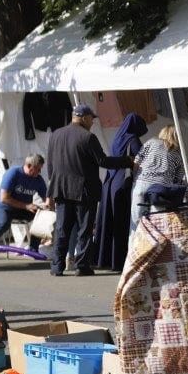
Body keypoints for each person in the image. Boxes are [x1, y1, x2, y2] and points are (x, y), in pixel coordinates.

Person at [46, 104, 132, 277]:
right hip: (84, 191)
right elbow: (103, 161)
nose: (92, 122)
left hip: (61, 189)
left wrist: (53, 188)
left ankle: (57, 266)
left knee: (62, 230)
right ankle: (82, 265)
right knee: (84, 230)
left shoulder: (56, 134)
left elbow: (50, 164)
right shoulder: (88, 137)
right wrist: (127, 161)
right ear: (84, 117)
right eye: (91, 118)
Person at [95, 113, 148, 271]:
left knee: (108, 222)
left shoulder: (118, 137)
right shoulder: (133, 139)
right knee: (121, 223)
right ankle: (118, 261)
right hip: (123, 184)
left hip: (110, 182)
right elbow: (141, 160)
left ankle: (105, 259)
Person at [0, 154, 48, 250]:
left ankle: (34, 248)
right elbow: (4, 198)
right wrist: (27, 206)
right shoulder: (14, 173)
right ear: (29, 166)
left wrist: (47, 207)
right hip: (2, 207)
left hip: (21, 209)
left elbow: (46, 197)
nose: (39, 172)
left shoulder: (38, 180)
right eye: (38, 169)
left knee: (40, 217)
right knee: (3, 222)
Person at [131, 125, 186, 229]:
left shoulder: (151, 142)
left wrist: (135, 179)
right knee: (157, 224)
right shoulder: (178, 154)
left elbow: (137, 161)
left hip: (141, 183)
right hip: (160, 189)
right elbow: (178, 179)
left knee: (136, 224)